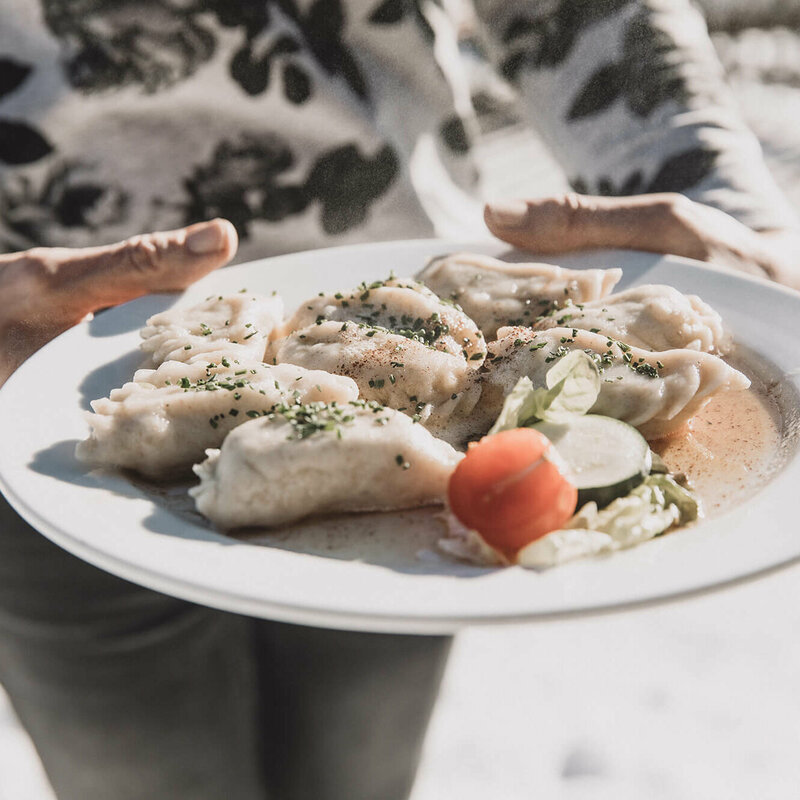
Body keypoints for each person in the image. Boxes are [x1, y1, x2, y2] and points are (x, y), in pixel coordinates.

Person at [0, 1, 798, 799]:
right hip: (31, 375)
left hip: (405, 269)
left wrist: (721, 206)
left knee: (357, 779)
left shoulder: (435, 407)